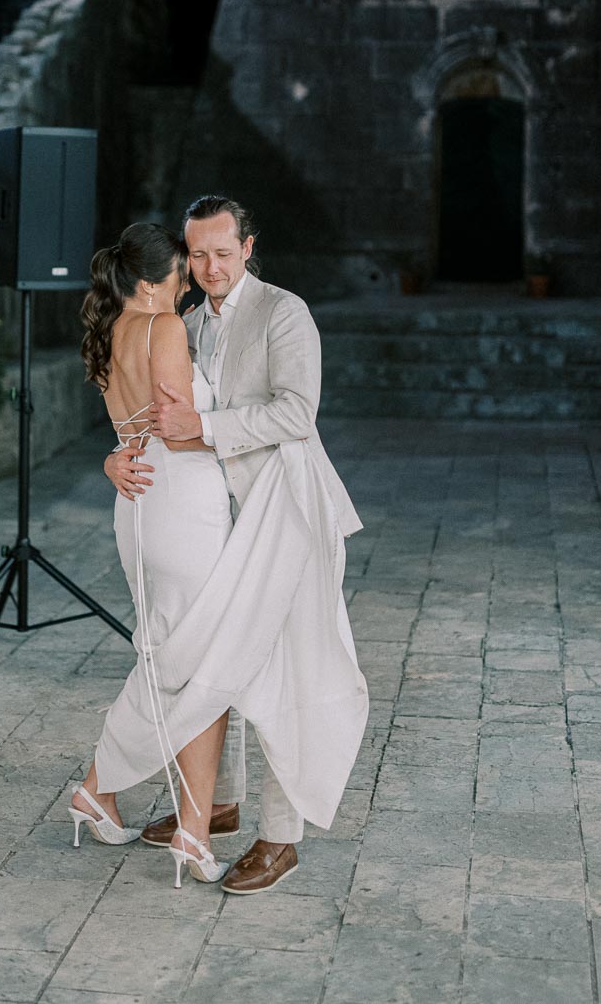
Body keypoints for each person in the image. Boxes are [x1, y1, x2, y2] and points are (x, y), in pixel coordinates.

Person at [96, 200, 368, 895]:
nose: (210, 267)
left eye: (223, 252)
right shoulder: (181, 322)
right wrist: (114, 459)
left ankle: (281, 838)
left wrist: (207, 426)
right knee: (226, 660)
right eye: (198, 255)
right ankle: (217, 805)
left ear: (249, 246)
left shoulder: (284, 313)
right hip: (216, 520)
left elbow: (295, 413)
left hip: (284, 514)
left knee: (284, 673)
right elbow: (147, 418)